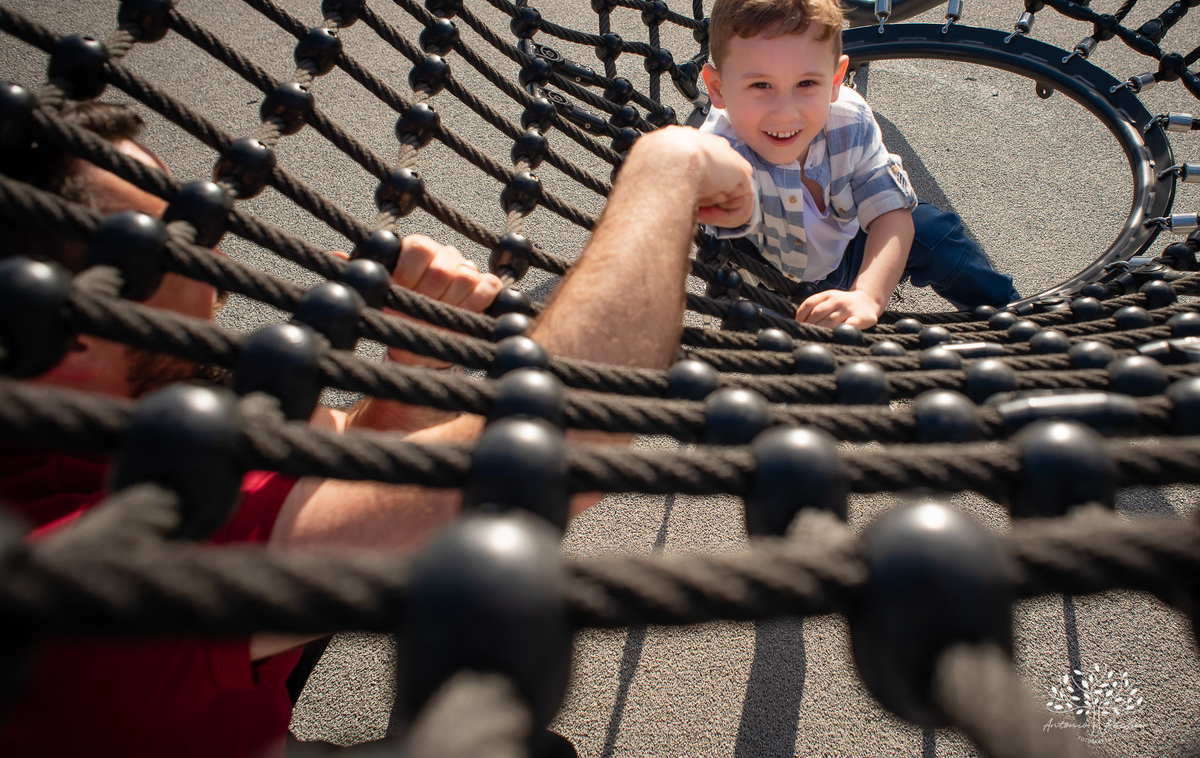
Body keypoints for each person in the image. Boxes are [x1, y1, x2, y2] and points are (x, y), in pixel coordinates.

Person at [0, 101, 753, 757]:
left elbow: (345, 467)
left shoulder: (115, 405)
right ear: (72, 337)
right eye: (170, 236)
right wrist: (669, 164)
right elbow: (548, 456)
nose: (215, 242)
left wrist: (415, 358)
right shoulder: (85, 581)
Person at [696, 0, 1019, 329]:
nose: (785, 113)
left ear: (835, 80)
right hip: (777, 282)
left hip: (855, 245)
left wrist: (868, 294)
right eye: (760, 86)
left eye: (806, 84)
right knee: (771, 345)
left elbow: (891, 216)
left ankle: (1006, 310)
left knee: (932, 229)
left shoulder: (848, 119)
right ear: (718, 89)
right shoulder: (719, 148)